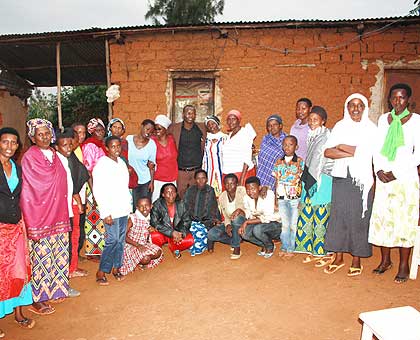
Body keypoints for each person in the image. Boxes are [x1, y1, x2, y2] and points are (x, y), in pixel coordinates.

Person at [369, 83, 420, 283]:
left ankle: (403, 264)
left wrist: (397, 171)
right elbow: (377, 148)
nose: (397, 101)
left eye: (402, 97)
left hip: (405, 179)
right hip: (384, 179)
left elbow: (417, 155)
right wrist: (379, 170)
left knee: (404, 221)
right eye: (394, 98)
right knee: (384, 220)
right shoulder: (384, 120)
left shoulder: (416, 121)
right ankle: (385, 261)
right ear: (388, 100)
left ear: (408, 99)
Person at [21, 119, 71, 314]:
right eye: (39, 134)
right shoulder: (29, 157)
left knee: (57, 253)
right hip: (40, 216)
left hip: (59, 213)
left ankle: (55, 289)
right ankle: (37, 299)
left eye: (47, 133)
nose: (44, 137)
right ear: (32, 137)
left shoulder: (55, 155)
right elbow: (30, 189)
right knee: (41, 257)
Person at [323, 94, 376, 276]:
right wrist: (354, 152)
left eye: (359, 105)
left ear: (364, 108)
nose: (355, 108)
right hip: (341, 178)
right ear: (346, 107)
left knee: (358, 219)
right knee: (338, 218)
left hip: (361, 182)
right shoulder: (340, 126)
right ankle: (338, 258)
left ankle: (356, 259)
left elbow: (371, 153)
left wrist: (342, 146)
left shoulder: (371, 128)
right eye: (352, 105)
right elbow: (328, 152)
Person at [0, 127, 35, 335]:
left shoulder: (17, 167)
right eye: (5, 142)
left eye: (13, 143)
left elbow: (19, 198)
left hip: (16, 227)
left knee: (20, 269)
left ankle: (19, 313)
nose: (9, 146)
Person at [294, 106, 333, 267]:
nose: (311, 122)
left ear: (323, 121)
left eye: (315, 120)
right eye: (310, 120)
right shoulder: (312, 136)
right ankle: (311, 250)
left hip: (322, 180)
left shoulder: (326, 136)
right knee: (308, 213)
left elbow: (321, 161)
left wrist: (313, 179)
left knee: (321, 215)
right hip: (310, 178)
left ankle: (322, 251)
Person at [93, 136, 132, 285]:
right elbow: (99, 190)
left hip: (122, 208)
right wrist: (105, 212)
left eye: (118, 146)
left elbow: (125, 187)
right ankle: (101, 271)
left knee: (120, 240)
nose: (116, 149)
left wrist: (129, 209)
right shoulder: (102, 165)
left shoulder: (121, 162)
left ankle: (116, 268)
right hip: (110, 210)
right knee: (112, 240)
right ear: (107, 148)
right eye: (113, 146)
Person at [54, 129, 86, 296]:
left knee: (73, 238)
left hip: (71, 204)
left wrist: (78, 201)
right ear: (57, 146)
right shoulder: (57, 161)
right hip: (60, 210)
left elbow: (72, 183)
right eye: (64, 144)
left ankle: (71, 270)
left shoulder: (68, 158)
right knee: (63, 244)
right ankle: (62, 280)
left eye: (70, 143)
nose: (69, 146)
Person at [272, 135, 304, 257]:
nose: (287, 147)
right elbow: (277, 181)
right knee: (285, 224)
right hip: (282, 198)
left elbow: (303, 181)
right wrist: (275, 199)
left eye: (290, 144)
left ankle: (291, 248)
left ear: (296, 147)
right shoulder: (278, 162)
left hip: (295, 199)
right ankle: (284, 246)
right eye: (285, 144)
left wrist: (302, 198)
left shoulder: (300, 162)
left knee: (293, 224)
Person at [168, 105, 207, 198]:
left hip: (196, 170)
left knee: (197, 197)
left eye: (193, 113)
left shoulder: (201, 128)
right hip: (181, 171)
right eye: (188, 113)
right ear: (183, 115)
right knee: (181, 197)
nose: (191, 115)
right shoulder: (174, 128)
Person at [238, 176, 281, 258]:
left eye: (253, 189)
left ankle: (270, 247)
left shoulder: (268, 194)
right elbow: (249, 213)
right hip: (260, 223)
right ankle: (264, 244)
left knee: (257, 229)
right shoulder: (246, 198)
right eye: (248, 190)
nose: (250, 192)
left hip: (276, 224)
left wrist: (247, 222)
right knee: (244, 233)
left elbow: (267, 217)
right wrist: (241, 212)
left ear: (260, 187)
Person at [82, 118, 107, 256]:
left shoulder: (100, 145)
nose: (100, 132)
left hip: (102, 185)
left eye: (102, 129)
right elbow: (88, 171)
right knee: (93, 218)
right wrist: (93, 192)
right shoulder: (90, 146)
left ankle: (101, 248)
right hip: (93, 186)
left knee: (101, 217)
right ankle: (93, 251)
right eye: (97, 130)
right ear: (91, 132)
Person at [207, 173, 248, 259]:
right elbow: (225, 216)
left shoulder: (243, 191)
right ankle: (236, 239)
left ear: (237, 184)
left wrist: (240, 211)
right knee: (211, 234)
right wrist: (228, 225)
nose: (229, 186)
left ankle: (236, 248)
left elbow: (249, 209)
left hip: (245, 221)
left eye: (232, 183)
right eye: (227, 183)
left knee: (236, 219)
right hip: (232, 222)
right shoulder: (222, 197)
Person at [119, 197, 163, 276]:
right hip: (131, 245)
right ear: (137, 207)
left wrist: (152, 229)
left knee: (158, 252)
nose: (144, 208)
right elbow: (123, 236)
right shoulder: (133, 218)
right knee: (146, 258)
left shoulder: (150, 217)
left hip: (143, 244)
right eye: (141, 206)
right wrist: (137, 245)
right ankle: (135, 262)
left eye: (147, 205)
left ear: (151, 206)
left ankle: (139, 260)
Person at [150, 183, 194, 258]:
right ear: (163, 194)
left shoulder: (182, 204)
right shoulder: (157, 204)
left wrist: (180, 233)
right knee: (154, 236)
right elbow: (154, 222)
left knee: (189, 240)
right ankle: (159, 250)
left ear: (176, 193)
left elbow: (187, 221)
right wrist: (171, 232)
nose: (171, 194)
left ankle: (174, 248)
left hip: (177, 232)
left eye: (173, 192)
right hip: (163, 232)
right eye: (168, 192)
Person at [183, 169, 221, 256]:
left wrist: (214, 220)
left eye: (203, 178)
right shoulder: (190, 190)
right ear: (195, 180)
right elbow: (185, 206)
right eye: (198, 178)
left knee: (199, 239)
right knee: (190, 237)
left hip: (205, 221)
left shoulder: (210, 190)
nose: (201, 181)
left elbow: (213, 207)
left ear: (207, 179)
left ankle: (206, 243)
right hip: (191, 220)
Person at [222, 110, 257, 187]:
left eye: (233, 119)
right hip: (228, 173)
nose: (231, 122)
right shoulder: (230, 135)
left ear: (239, 120)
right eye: (229, 119)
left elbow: (247, 158)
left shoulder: (245, 133)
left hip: (240, 173)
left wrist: (241, 179)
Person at [127, 119, 157, 204]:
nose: (148, 133)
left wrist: (151, 182)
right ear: (142, 126)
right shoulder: (129, 139)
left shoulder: (152, 145)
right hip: (129, 179)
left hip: (144, 181)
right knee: (130, 207)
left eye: (151, 132)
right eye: (147, 129)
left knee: (142, 206)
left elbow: (152, 165)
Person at [151, 114, 178, 203]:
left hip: (172, 178)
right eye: (155, 128)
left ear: (165, 129)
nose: (156, 131)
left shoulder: (172, 139)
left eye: (159, 129)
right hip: (158, 179)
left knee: (170, 203)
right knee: (156, 203)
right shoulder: (152, 141)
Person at [257, 114, 287, 191]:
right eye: (269, 125)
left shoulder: (286, 141)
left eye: (275, 125)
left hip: (276, 179)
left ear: (280, 126)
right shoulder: (265, 139)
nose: (272, 127)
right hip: (261, 175)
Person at [202, 115, 227, 197]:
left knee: (223, 192)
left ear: (217, 124)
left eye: (213, 123)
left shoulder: (225, 138)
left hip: (222, 170)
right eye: (208, 125)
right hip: (209, 171)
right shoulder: (205, 139)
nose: (211, 126)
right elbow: (204, 156)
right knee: (209, 194)